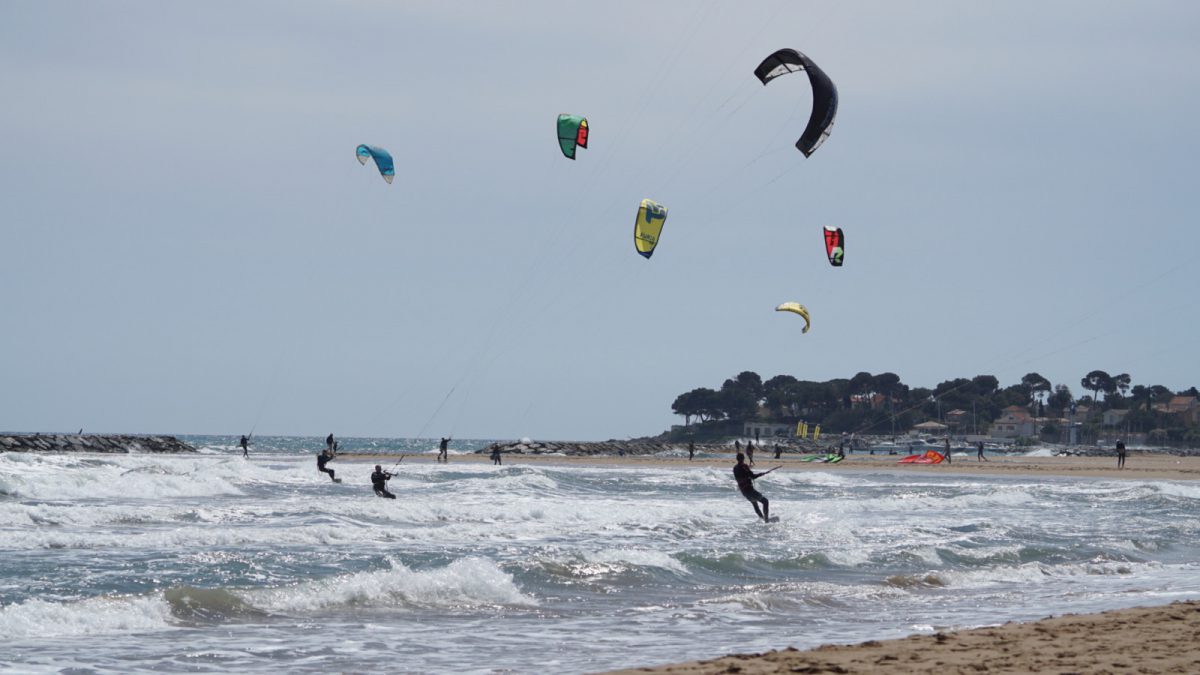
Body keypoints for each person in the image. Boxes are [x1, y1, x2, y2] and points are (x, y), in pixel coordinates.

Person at [732, 453, 770, 522]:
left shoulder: (735, 468)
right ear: (743, 458)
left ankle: (762, 519)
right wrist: (761, 474)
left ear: (737, 459)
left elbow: (743, 476)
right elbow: (753, 476)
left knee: (754, 503)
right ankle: (766, 520)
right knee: (765, 501)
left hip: (743, 491)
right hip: (749, 490)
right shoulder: (744, 466)